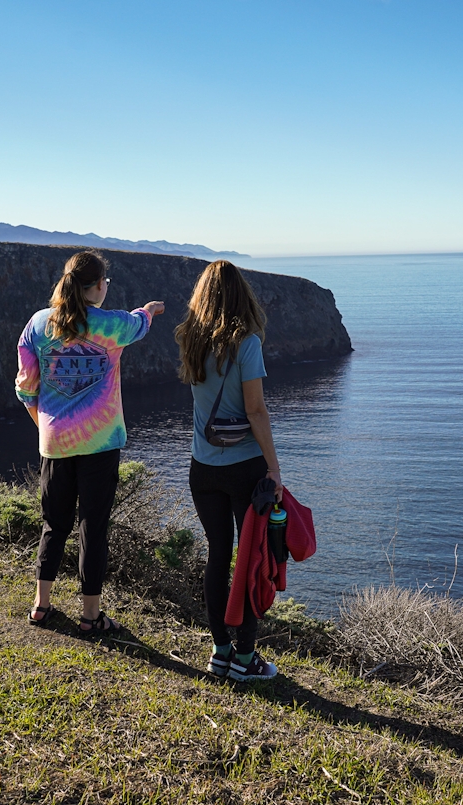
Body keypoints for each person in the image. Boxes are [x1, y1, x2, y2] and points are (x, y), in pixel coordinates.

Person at [16, 250, 164, 635]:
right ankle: (90, 616)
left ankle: (40, 607)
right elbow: (139, 323)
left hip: (55, 445)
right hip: (100, 444)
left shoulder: (37, 325)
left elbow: (26, 388)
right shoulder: (110, 326)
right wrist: (148, 310)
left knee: (54, 525)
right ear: (99, 286)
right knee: (92, 528)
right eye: (105, 283)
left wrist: (44, 427)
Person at [175, 260, 282, 681]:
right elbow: (255, 409)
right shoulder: (247, 343)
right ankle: (244, 659)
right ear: (243, 295)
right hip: (244, 470)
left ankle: (219, 651)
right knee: (250, 560)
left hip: (202, 468)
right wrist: (274, 468)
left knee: (217, 557)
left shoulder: (189, 338)